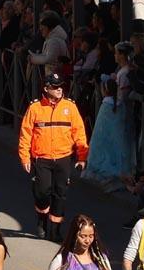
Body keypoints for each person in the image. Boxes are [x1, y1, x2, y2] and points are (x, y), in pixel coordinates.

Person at [19, 72, 90, 241]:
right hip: (41, 158)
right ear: (46, 88)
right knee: (42, 192)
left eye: (60, 86)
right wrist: (25, 157)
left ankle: (55, 230)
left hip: (63, 158)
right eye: (55, 87)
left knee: (60, 194)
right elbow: (25, 134)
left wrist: (82, 157)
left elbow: (79, 133)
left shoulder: (70, 107)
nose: (59, 90)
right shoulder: (35, 108)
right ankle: (42, 221)